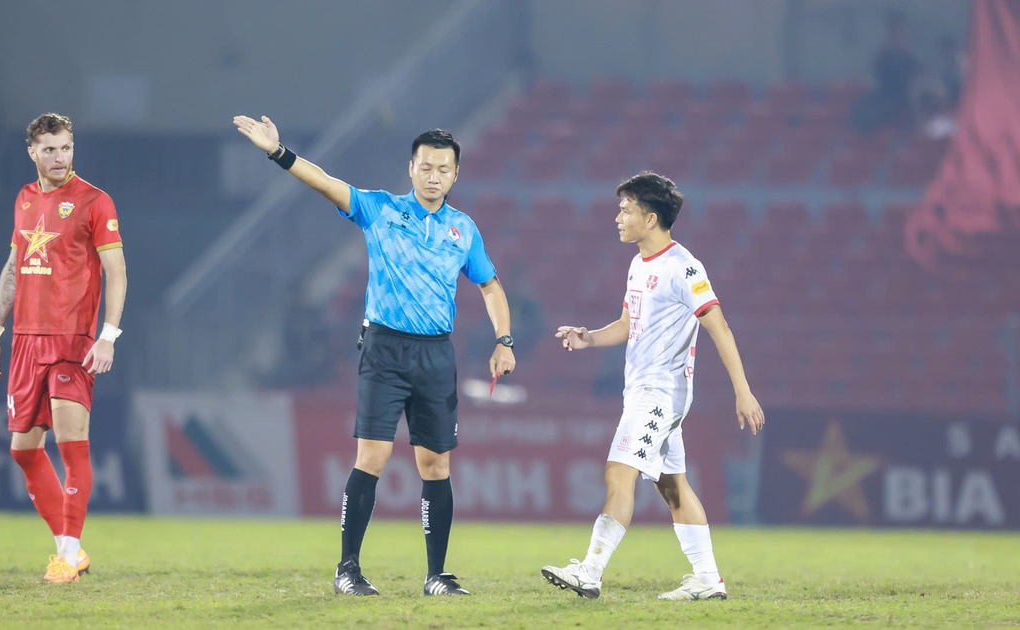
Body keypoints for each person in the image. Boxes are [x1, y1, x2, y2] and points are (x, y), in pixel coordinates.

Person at [232, 114, 516, 597]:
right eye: (425, 166)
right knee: (373, 457)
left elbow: (490, 285)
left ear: (455, 175)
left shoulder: (463, 230)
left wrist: (504, 340)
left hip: (435, 355)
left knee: (436, 466)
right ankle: (348, 570)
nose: (433, 176)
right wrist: (278, 153)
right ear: (410, 169)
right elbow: (325, 183)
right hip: (385, 350)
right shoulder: (380, 209)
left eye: (443, 169)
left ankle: (437, 576)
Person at [540, 172, 764, 601]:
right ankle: (707, 578)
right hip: (643, 389)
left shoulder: (684, 268)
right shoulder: (637, 263)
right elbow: (628, 324)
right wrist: (588, 337)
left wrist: (743, 390)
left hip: (661, 392)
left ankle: (591, 570)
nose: (618, 217)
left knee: (617, 472)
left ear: (651, 217)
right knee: (672, 486)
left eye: (626, 209)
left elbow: (719, 328)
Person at [0, 113, 128, 584]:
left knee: (70, 441)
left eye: (65, 148)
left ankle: (65, 555)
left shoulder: (94, 201)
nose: (59, 158)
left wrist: (108, 335)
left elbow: (117, 273)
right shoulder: (24, 200)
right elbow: (13, 267)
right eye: (49, 150)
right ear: (32, 153)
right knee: (23, 451)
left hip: (72, 342)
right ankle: (73, 547)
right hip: (25, 340)